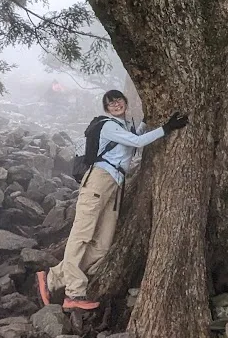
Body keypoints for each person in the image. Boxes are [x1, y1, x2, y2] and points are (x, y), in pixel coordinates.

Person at [37, 89, 188, 310]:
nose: (116, 104)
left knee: (103, 245)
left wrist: (146, 123)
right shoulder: (108, 126)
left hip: (115, 185)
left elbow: (131, 140)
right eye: (110, 103)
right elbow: (137, 143)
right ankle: (74, 293)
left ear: (125, 102)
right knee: (82, 236)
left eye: (118, 100)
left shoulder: (124, 126)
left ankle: (52, 279)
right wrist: (167, 128)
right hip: (98, 180)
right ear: (106, 108)